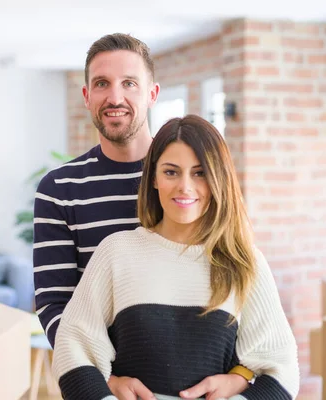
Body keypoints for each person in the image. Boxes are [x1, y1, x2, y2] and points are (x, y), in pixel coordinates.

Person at [33, 33, 256, 399]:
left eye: (129, 83)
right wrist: (100, 379)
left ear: (152, 93)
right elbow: (55, 303)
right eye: (101, 84)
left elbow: (241, 278)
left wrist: (242, 374)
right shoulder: (59, 187)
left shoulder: (194, 178)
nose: (115, 97)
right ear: (87, 96)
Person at [51, 115, 300, 400]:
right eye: (171, 172)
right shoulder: (117, 252)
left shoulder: (245, 263)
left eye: (200, 173)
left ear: (218, 179)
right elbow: (72, 348)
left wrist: (239, 383)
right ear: (154, 178)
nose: (185, 186)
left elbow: (282, 372)